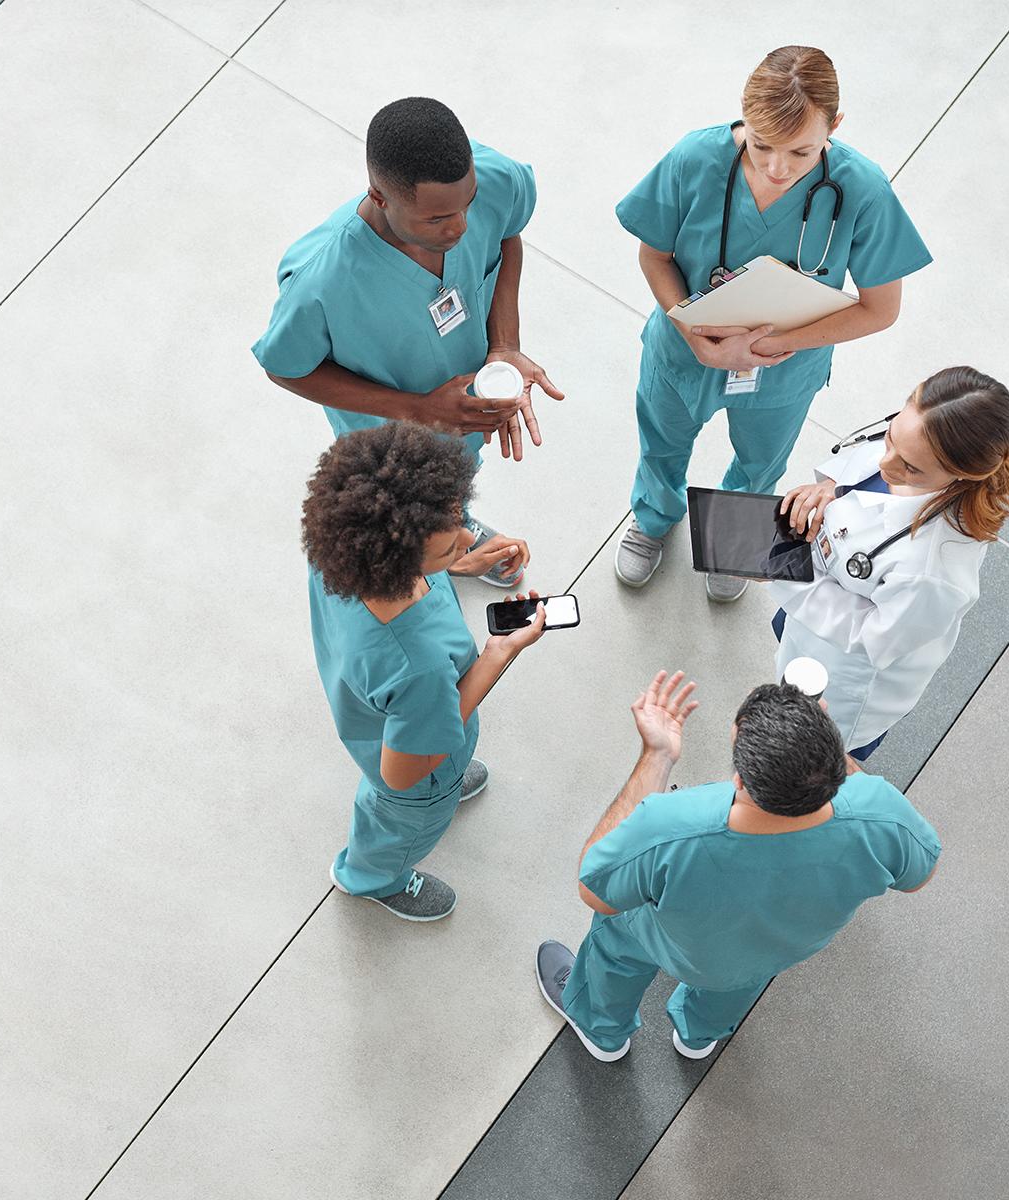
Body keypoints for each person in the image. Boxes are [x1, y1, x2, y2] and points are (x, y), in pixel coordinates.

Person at [613, 46, 931, 602]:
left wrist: (777, 342)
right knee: (661, 442)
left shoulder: (862, 189)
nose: (777, 168)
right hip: (684, 351)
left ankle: (735, 539)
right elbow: (654, 256)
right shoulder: (696, 159)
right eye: (761, 145)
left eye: (802, 151)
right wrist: (694, 336)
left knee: (762, 463)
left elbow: (880, 308)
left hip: (784, 368)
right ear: (744, 117)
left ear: (835, 125)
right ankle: (654, 514)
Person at [536, 673, 940, 1061]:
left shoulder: (672, 826)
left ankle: (602, 1031)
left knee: (616, 941)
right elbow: (919, 876)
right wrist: (818, 754)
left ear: (742, 782)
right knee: (736, 983)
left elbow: (595, 887)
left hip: (671, 941)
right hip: (769, 952)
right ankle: (698, 1036)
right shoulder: (883, 813)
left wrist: (656, 755)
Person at [255, 96, 564, 587]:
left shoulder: (495, 178)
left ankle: (452, 531)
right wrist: (418, 410)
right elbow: (285, 366)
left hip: (464, 417)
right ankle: (432, 552)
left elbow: (508, 233)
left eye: (467, 204)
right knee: (404, 513)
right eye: (437, 220)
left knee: (455, 478)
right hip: (390, 437)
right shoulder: (320, 282)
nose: (461, 227)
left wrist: (505, 344)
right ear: (380, 197)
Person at [302, 422, 545, 921]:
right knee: (399, 824)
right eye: (444, 548)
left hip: (378, 718)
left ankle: (444, 789)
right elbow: (403, 772)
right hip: (419, 779)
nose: (465, 538)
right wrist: (499, 654)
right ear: (396, 561)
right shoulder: (420, 668)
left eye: (458, 518)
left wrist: (455, 564)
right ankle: (373, 877)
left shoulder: (339, 560)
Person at [769, 365, 1009, 759]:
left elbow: (873, 638)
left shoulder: (936, 570)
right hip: (810, 615)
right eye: (889, 439)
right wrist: (827, 490)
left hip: (845, 679)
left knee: (809, 756)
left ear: (962, 475)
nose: (887, 466)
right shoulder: (912, 441)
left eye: (910, 468)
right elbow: (859, 478)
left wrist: (783, 571)